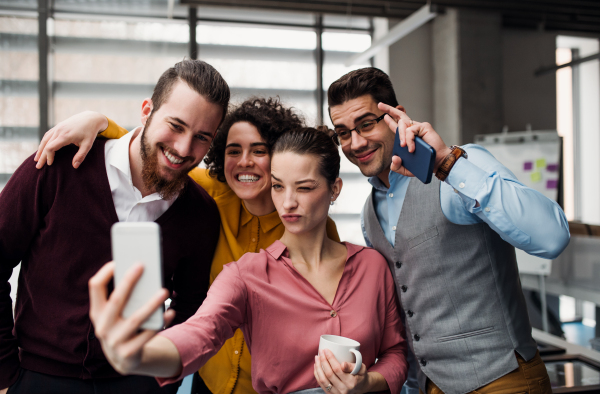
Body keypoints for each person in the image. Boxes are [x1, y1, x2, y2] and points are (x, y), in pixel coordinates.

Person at [34, 97, 340, 394]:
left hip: (270, 386)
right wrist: (99, 123)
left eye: (259, 151)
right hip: (210, 379)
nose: (244, 162)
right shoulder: (211, 190)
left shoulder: (311, 224)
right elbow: (158, 154)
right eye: (234, 150)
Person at [87, 127, 409, 394]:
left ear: (334, 189)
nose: (288, 202)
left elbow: (395, 353)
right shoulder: (247, 276)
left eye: (305, 188)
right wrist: (138, 356)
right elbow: (201, 333)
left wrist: (368, 383)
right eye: (279, 187)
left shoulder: (372, 266)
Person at [326, 67, 570, 394]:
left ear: (396, 117)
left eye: (366, 124)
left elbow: (551, 237)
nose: (355, 142)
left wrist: (447, 164)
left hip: (503, 380)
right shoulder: (369, 214)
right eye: (343, 132)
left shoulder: (460, 167)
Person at [0, 59, 228, 394]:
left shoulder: (201, 213)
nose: (183, 148)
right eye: (176, 126)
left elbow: (190, 307)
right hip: (36, 377)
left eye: (201, 137)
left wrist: (160, 383)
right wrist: (5, 376)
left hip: (137, 384)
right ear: (146, 110)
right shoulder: (58, 166)